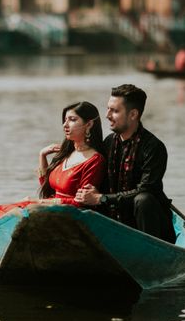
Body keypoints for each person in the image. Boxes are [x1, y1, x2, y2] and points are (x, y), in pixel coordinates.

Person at [0, 102, 106, 230]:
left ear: (89, 124)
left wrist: (40, 202)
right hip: (50, 209)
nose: (65, 125)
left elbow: (82, 202)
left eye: (72, 120)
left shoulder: (94, 160)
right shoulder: (66, 153)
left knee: (21, 210)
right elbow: (48, 190)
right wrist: (42, 156)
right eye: (65, 120)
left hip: (70, 217)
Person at [75, 84, 176, 243]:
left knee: (143, 199)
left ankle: (149, 252)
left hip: (151, 227)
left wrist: (102, 199)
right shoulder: (109, 143)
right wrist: (93, 193)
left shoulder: (153, 147)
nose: (107, 115)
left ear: (133, 114)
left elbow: (146, 189)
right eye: (108, 109)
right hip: (117, 218)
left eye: (114, 111)